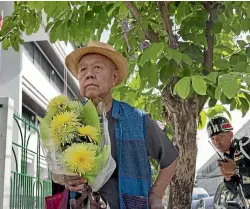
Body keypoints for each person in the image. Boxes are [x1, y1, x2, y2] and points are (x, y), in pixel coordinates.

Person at [52, 41, 179, 209]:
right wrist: (64, 177)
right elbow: (56, 171)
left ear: (113, 78)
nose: (89, 74)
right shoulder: (68, 121)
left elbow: (171, 159)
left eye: (97, 68)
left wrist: (156, 195)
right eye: (83, 70)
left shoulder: (137, 120)